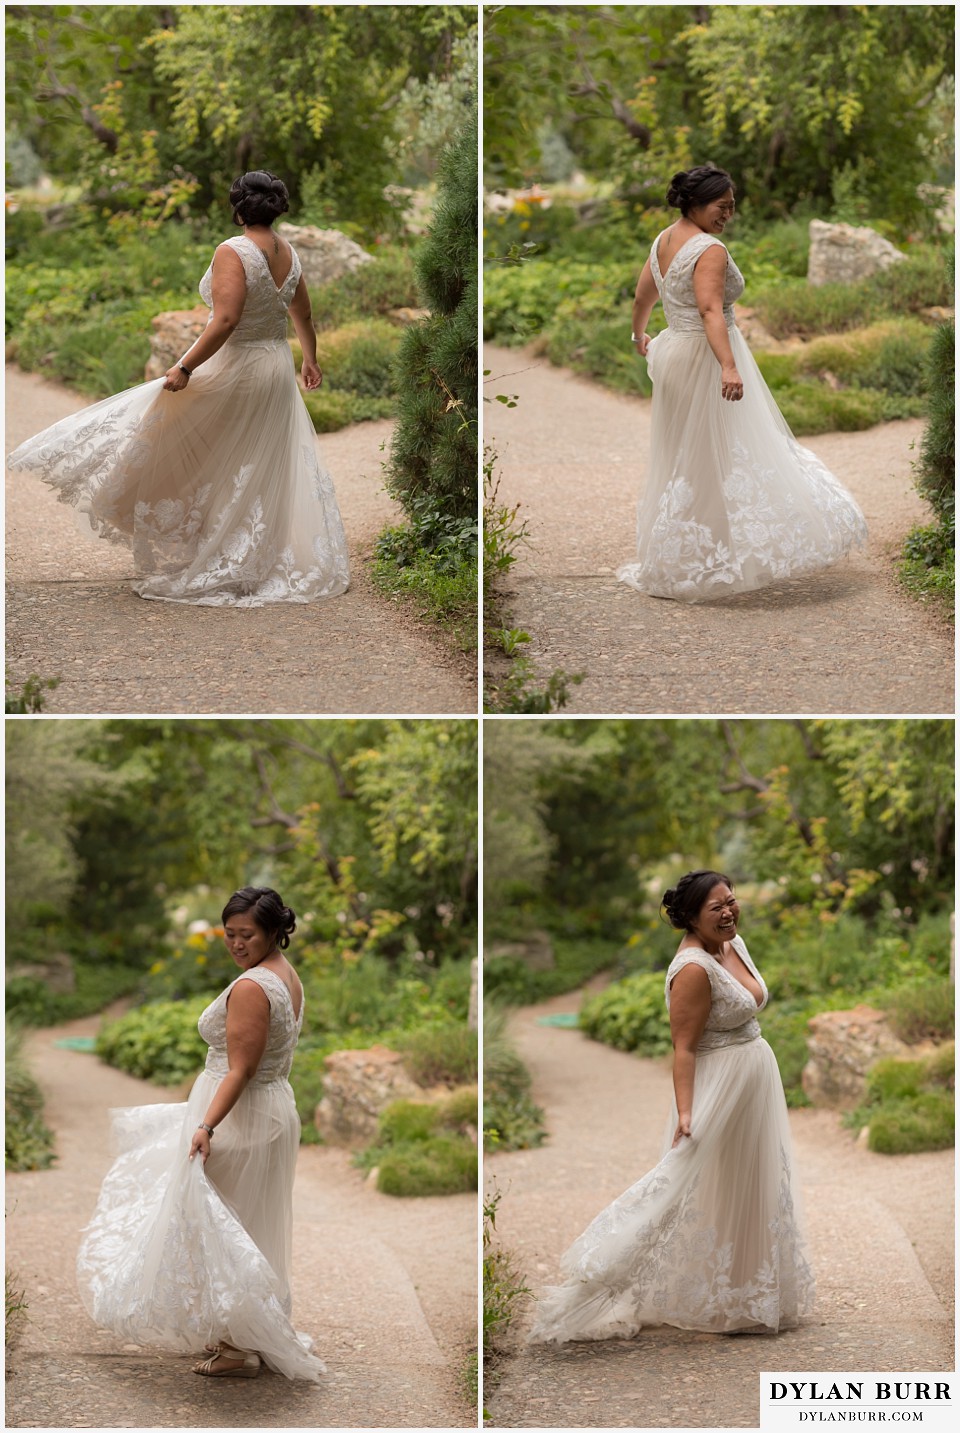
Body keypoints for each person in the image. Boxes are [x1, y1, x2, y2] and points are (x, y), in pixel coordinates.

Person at [7, 171, 349, 606]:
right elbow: (303, 315)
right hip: (276, 367)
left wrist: (184, 366)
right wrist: (310, 360)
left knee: (194, 444)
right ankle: (247, 553)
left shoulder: (234, 250)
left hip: (240, 365)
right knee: (251, 461)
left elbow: (225, 320)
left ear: (240, 207)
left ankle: (228, 555)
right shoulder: (290, 253)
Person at [529, 869, 815, 1343]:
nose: (728, 912)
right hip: (718, 1084)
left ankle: (746, 1295)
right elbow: (683, 1047)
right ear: (690, 917)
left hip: (754, 1079)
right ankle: (603, 1276)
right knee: (687, 1181)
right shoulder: (692, 970)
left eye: (731, 901)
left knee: (751, 1182)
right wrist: (687, 1113)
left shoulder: (732, 944)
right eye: (716, 908)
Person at [77, 887, 323, 1380]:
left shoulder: (253, 987)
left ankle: (237, 1347)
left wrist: (207, 1124)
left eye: (246, 934)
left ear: (275, 931)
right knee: (243, 1224)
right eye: (229, 934)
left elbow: (241, 1069)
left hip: (239, 1116)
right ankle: (243, 1333)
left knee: (220, 1226)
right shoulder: (285, 976)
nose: (235, 943)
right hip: (268, 1109)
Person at [618, 165, 867, 601]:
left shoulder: (663, 239)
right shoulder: (709, 249)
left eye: (731, 207)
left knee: (690, 454)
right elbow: (711, 311)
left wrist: (640, 336)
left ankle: (691, 554)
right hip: (705, 359)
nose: (728, 215)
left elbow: (643, 297)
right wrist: (729, 366)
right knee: (721, 453)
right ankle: (711, 559)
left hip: (674, 353)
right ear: (695, 203)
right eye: (722, 206)